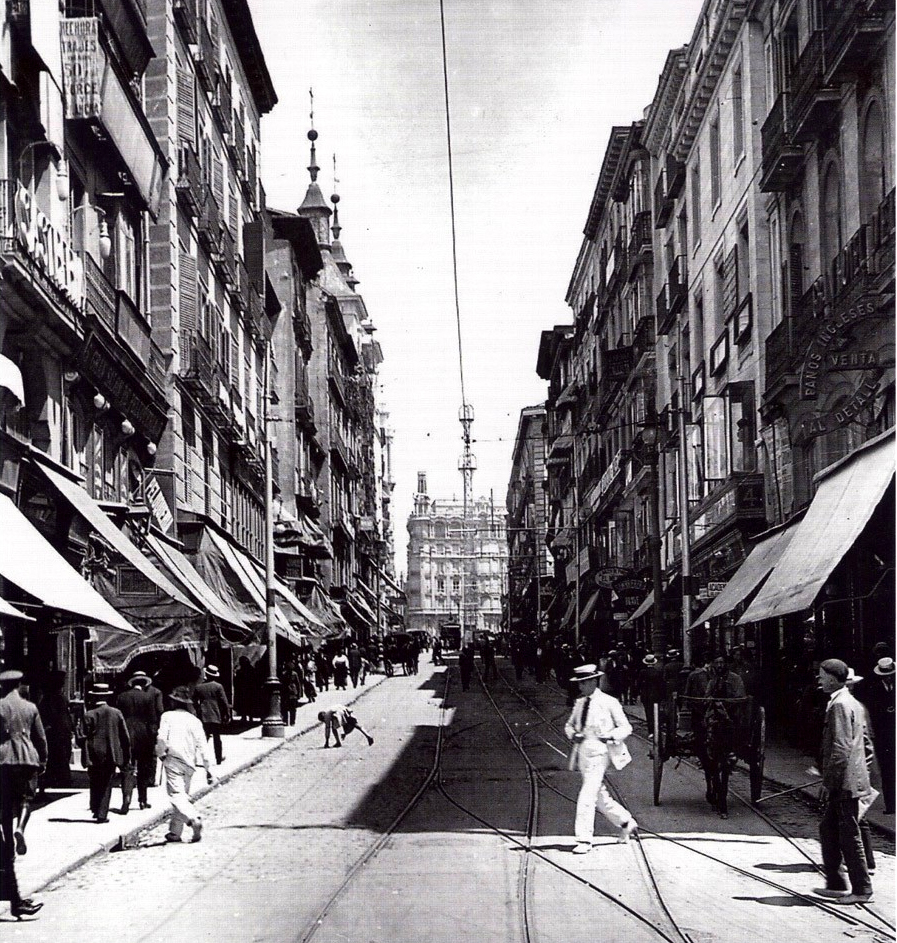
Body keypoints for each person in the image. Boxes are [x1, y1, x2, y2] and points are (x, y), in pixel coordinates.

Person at [814, 658, 874, 905]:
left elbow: (840, 747)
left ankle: (862, 890)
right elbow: (865, 744)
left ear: (831, 677)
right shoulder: (852, 702)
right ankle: (836, 884)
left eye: (821, 675)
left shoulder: (839, 705)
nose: (818, 679)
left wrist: (829, 782)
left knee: (849, 834)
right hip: (851, 777)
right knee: (828, 829)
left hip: (844, 781)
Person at [564, 664, 637, 854]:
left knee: (587, 794)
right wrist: (573, 735)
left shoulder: (609, 702)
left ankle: (584, 839)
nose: (580, 687)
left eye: (583, 683)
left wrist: (612, 736)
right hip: (583, 754)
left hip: (600, 753)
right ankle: (626, 821)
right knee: (598, 796)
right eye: (579, 683)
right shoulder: (580, 703)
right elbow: (569, 726)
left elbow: (626, 727)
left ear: (593, 681)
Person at [0, 670, 46, 920]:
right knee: (27, 798)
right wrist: (44, 760)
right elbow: (40, 737)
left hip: (3, 761)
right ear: (19, 685)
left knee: (4, 815)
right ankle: (21, 827)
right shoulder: (30, 707)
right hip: (27, 759)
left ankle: (15, 900)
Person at [155, 686, 215, 843]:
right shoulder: (194, 721)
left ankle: (193, 819)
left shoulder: (167, 716)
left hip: (173, 761)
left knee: (176, 795)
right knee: (182, 797)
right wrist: (208, 769)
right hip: (190, 763)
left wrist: (161, 754)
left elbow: (161, 738)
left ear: (174, 702)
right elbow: (203, 745)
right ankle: (175, 832)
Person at [83, 683, 130, 824]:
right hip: (111, 752)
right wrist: (126, 754)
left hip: (93, 753)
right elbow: (125, 736)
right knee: (106, 783)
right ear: (106, 697)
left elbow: (82, 735)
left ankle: (96, 808)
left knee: (95, 781)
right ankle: (102, 813)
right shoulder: (116, 713)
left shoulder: (88, 714)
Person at [116, 670, 161, 812]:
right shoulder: (148, 698)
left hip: (126, 735)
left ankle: (126, 798)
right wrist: (154, 736)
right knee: (143, 769)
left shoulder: (122, 697)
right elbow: (153, 720)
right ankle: (142, 800)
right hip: (144, 737)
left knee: (127, 768)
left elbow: (119, 718)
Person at [864, 657, 895, 814]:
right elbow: (873, 712)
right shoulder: (874, 689)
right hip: (884, 737)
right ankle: (891, 805)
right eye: (886, 675)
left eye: (891, 674)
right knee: (888, 770)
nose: (889, 677)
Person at [38, 670, 73, 790]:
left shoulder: (55, 698)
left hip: (59, 732)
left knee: (59, 755)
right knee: (59, 756)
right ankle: (60, 778)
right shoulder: (54, 699)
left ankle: (60, 778)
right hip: (57, 732)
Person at [193, 665, 231, 764]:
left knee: (203, 738)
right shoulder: (218, 686)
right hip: (215, 714)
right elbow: (224, 701)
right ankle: (218, 758)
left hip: (203, 715)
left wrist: (198, 710)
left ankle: (200, 759)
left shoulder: (199, 687)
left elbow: (194, 701)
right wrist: (227, 714)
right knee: (217, 738)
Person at [638, 654, 666, 736]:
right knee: (656, 712)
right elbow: (661, 685)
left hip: (646, 695)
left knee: (648, 713)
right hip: (656, 694)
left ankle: (651, 731)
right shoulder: (657, 672)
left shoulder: (642, 672)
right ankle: (657, 728)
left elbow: (639, 684)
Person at [279, 661, 301, 726]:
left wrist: (299, 693)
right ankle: (285, 720)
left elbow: (298, 684)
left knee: (292, 709)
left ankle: (292, 721)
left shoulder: (294, 674)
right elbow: (282, 684)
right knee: (285, 708)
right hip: (286, 693)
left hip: (293, 693)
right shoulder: (284, 674)